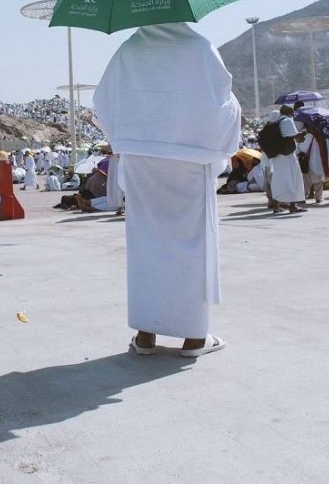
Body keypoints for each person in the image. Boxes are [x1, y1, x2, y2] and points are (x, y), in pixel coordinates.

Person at [94, 22, 241, 358]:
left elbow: (103, 101)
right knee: (192, 244)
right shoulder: (200, 47)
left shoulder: (129, 50)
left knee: (146, 243)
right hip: (190, 158)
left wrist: (130, 135)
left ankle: (146, 336)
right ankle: (194, 338)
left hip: (141, 159)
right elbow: (223, 105)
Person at [269, 107, 307, 214]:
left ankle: (276, 206)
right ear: (288, 113)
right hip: (288, 156)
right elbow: (295, 138)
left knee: (279, 180)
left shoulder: (276, 122)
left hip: (277, 156)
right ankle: (292, 206)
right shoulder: (288, 121)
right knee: (293, 179)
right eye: (292, 113)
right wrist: (303, 134)